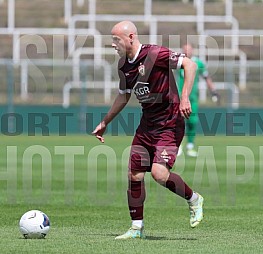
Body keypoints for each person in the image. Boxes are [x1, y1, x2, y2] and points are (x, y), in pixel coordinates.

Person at [92, 21, 204, 240]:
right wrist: (105, 122)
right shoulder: (123, 65)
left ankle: (194, 199)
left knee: (159, 174)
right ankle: (136, 227)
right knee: (134, 174)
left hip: (170, 122)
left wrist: (184, 97)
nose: (113, 45)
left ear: (131, 37)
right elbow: (124, 95)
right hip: (147, 123)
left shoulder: (155, 54)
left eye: (117, 39)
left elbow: (190, 65)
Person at [177, 44, 220, 157]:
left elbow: (206, 77)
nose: (187, 52)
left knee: (192, 121)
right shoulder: (177, 61)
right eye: (184, 50)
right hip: (178, 97)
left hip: (192, 98)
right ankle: (177, 146)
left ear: (192, 51)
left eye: (189, 50)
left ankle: (190, 146)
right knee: (177, 122)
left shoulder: (198, 63)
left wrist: (213, 91)